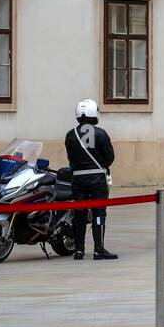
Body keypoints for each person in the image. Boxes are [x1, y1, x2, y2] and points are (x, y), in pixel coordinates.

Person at [65, 99, 118, 261]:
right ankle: (98, 249)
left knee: (79, 215)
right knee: (99, 213)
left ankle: (79, 250)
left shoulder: (70, 134)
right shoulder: (101, 133)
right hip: (97, 179)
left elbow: (70, 158)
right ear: (93, 113)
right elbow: (110, 157)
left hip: (78, 179)